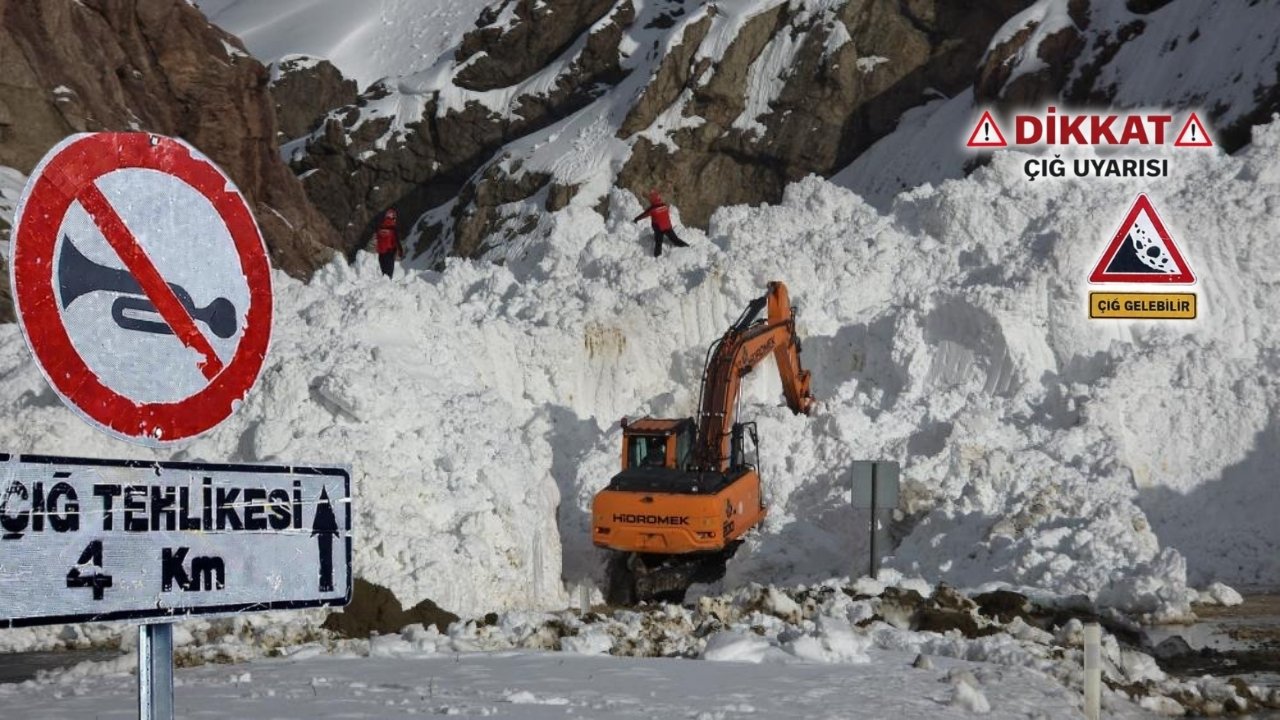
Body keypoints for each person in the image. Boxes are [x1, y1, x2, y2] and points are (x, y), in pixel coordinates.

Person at [633, 189, 688, 257]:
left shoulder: (653, 209)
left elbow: (644, 215)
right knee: (675, 240)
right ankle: (687, 247)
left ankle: (657, 256)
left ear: (652, 200)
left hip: (659, 228)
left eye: (650, 199)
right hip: (668, 227)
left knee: (658, 243)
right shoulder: (664, 205)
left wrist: (636, 219)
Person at [374, 208, 404, 278]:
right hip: (389, 253)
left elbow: (376, 238)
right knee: (389, 275)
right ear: (393, 218)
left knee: (384, 275)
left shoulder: (380, 226)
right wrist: (400, 251)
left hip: (381, 254)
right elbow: (397, 241)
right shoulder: (393, 228)